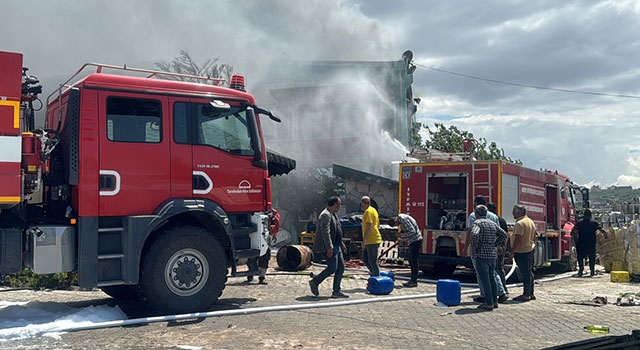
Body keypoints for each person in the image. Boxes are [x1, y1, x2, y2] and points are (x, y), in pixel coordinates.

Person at [465, 196, 508, 304]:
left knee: (483, 277)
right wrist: (496, 245)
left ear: (477, 213)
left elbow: (473, 234)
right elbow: (503, 234)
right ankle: (497, 298)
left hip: (481, 254)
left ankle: (487, 300)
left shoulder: (477, 222)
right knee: (493, 275)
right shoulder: (493, 220)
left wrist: (473, 247)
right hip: (492, 253)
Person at [309, 196, 348, 298]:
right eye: (339, 204)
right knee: (332, 268)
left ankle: (336, 291)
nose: (339, 207)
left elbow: (337, 230)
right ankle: (315, 282)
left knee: (340, 268)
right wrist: (329, 247)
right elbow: (325, 233)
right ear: (335, 204)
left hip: (336, 246)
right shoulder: (325, 215)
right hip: (330, 247)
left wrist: (341, 243)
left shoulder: (333, 214)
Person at [509, 204, 537, 301]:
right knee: (528, 272)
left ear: (519, 212)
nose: (512, 213)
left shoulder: (520, 223)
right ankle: (531, 293)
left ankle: (526, 295)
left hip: (522, 251)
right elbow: (535, 236)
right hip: (529, 249)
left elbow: (518, 239)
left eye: (514, 211)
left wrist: (512, 252)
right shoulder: (530, 221)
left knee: (525, 273)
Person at [389, 213, 423, 287]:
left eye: (396, 225)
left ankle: (414, 280)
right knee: (411, 260)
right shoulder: (402, 218)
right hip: (413, 241)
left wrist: (401, 235)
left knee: (413, 260)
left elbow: (412, 231)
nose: (398, 226)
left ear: (395, 221)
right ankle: (413, 279)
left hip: (415, 240)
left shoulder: (403, 219)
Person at [571, 209, 607, 277]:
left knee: (580, 257)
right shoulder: (594, 223)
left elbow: (573, 231)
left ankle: (581, 270)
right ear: (590, 216)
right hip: (591, 243)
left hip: (581, 243)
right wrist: (606, 236)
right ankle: (592, 271)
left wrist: (574, 237)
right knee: (591, 257)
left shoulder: (579, 223)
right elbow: (601, 230)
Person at [487, 202, 509, 297]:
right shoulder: (502, 220)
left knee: (496, 268)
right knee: (499, 267)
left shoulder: (495, 220)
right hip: (500, 246)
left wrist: (498, 246)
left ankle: (501, 289)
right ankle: (503, 288)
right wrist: (503, 246)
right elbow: (506, 235)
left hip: (497, 247)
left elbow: (501, 234)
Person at [361, 196, 382, 277]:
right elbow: (378, 223)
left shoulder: (368, 212)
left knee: (372, 261)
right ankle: (373, 273)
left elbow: (369, 225)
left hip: (372, 239)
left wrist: (364, 239)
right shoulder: (374, 210)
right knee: (365, 259)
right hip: (372, 239)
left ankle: (376, 276)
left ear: (364, 203)